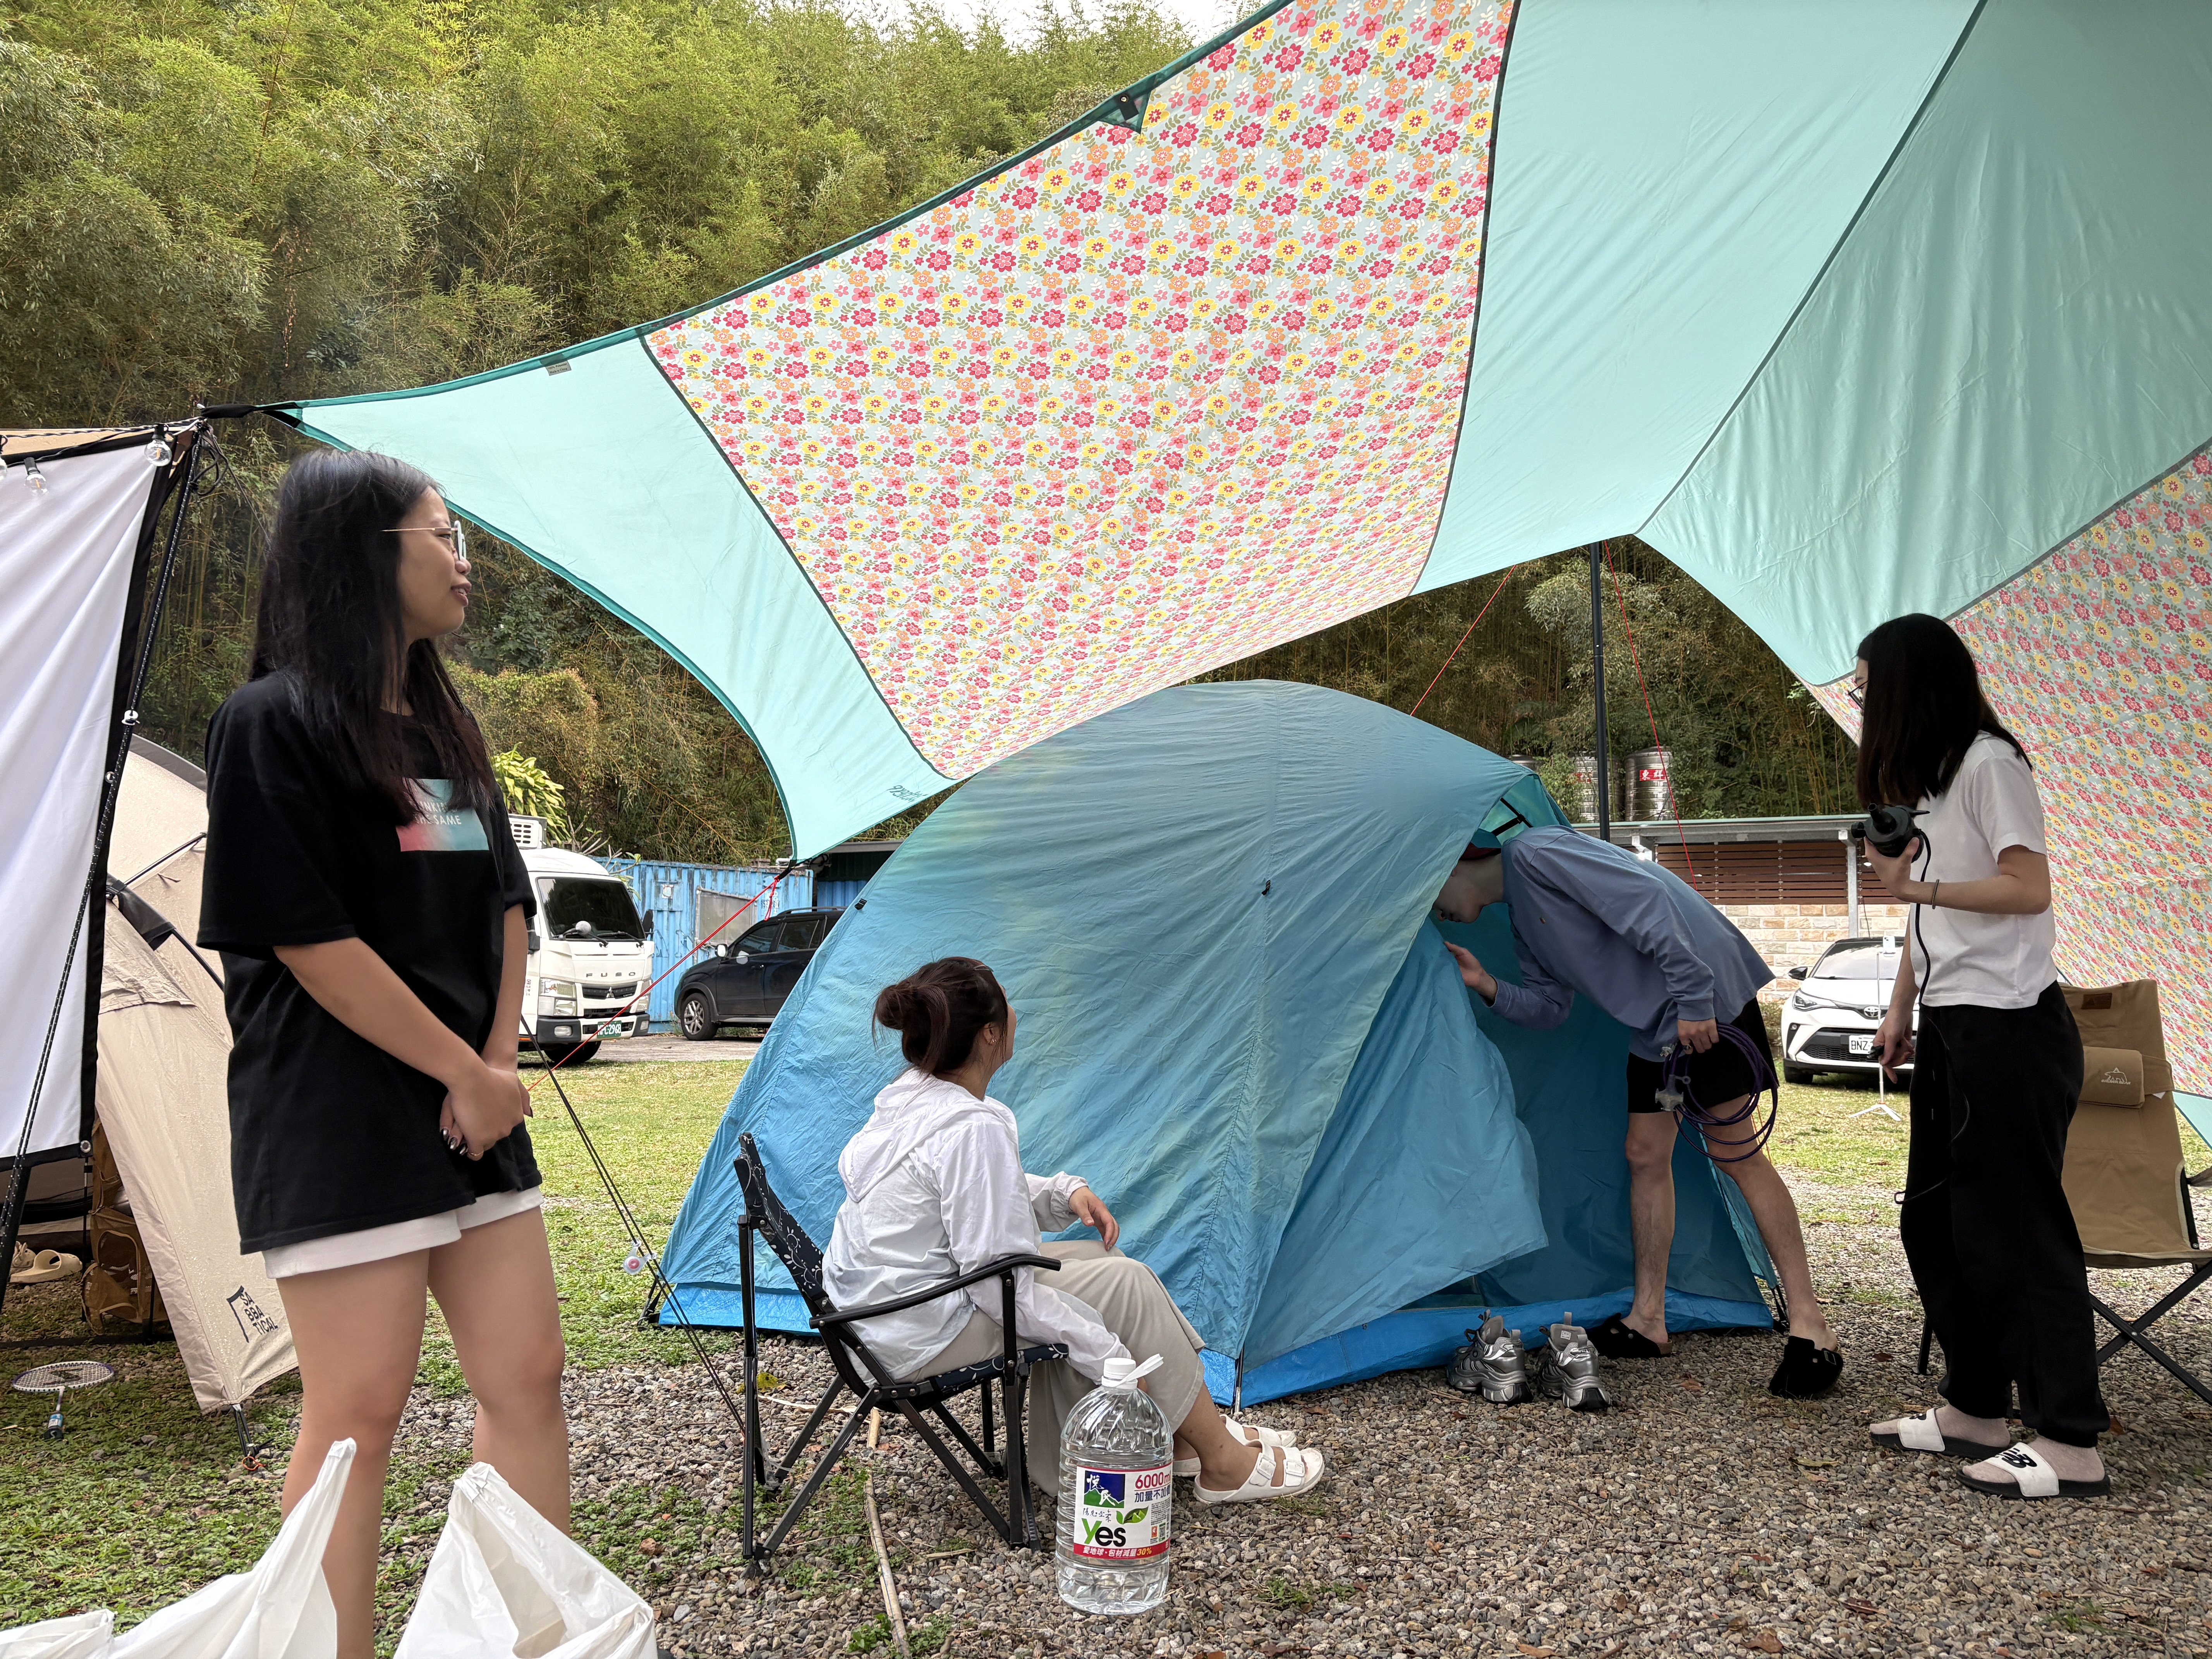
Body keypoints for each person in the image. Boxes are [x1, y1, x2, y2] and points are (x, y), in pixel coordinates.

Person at [199, 451, 567, 1656]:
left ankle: (529, 1635)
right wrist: (460, 1072)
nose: (464, 560)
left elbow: (507, 909)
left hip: (478, 1110)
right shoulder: (272, 722)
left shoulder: (446, 731)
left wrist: (496, 1065)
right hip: (342, 1113)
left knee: (529, 1378)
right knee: (358, 1416)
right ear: (368, 551)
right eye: (443, 532)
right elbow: (308, 938)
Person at [823, 957, 1328, 1504]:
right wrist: (1103, 1350)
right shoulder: (970, 1127)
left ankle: (1184, 1436)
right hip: (916, 1333)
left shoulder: (917, 1096)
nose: (1018, 1011)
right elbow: (997, 1284)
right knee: (1124, 1287)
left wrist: (1064, 1193)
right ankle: (1222, 1463)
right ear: (990, 1033)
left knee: (1098, 1262)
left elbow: (972, 1195)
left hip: (876, 1318)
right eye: (1007, 1001)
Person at [1435, 828, 1843, 1398]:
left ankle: (1812, 1328)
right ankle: (1649, 1320)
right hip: (1658, 1029)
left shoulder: (1537, 853)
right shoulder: (1522, 919)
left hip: (1704, 1005)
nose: (1439, 914)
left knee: (1736, 1153)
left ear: (1452, 864)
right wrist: (1485, 984)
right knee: (1645, 1155)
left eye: (1431, 898)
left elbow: (1646, 901)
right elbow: (1552, 1009)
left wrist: (1696, 1000)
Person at [1853, 614, 2106, 1498]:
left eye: (1864, 686)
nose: (1858, 701)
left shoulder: (1991, 764)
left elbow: (2027, 887)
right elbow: (1933, 923)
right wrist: (1900, 1006)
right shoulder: (1930, 781)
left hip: (2011, 1028)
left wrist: (1914, 884)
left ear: (1906, 686)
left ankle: (2072, 1439)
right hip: (1955, 1024)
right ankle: (1975, 1407)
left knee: (2018, 1232)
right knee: (1935, 1220)